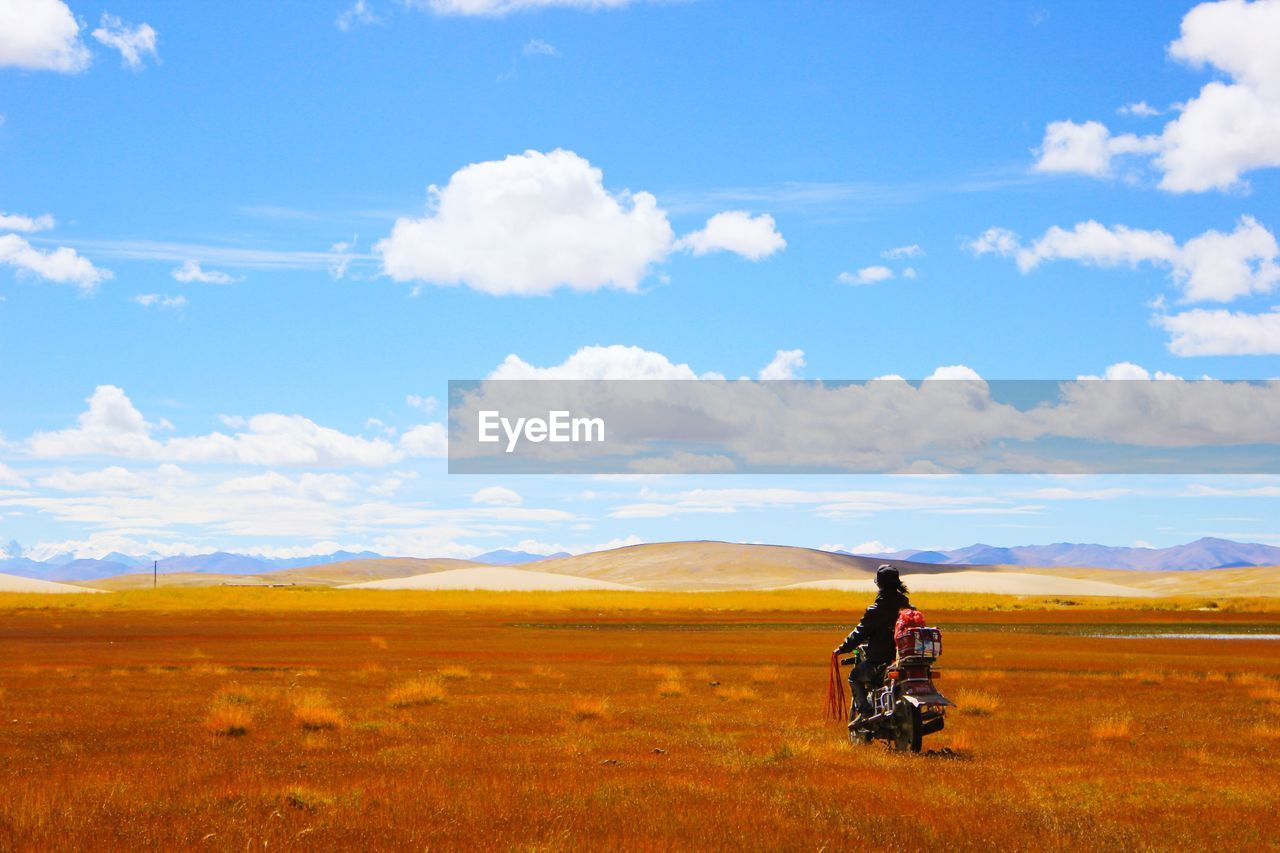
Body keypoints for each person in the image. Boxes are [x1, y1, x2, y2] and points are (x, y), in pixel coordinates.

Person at [833, 564, 912, 722]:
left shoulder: (876, 610)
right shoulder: (908, 608)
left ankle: (866, 714)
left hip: (880, 661)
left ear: (879, 584)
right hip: (904, 661)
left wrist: (842, 648)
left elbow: (859, 633)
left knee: (854, 677)